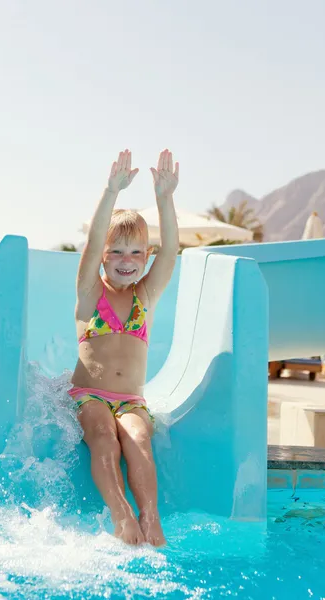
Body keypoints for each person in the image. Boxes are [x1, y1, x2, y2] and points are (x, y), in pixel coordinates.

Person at [69, 149, 179, 546]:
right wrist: (111, 191)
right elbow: (94, 237)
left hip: (131, 399)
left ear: (145, 258)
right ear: (101, 257)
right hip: (90, 394)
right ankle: (122, 514)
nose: (125, 259)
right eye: (115, 251)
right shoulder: (89, 291)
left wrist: (165, 199)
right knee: (103, 435)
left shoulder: (145, 296)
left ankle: (151, 519)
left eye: (135, 252)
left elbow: (170, 251)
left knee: (137, 439)